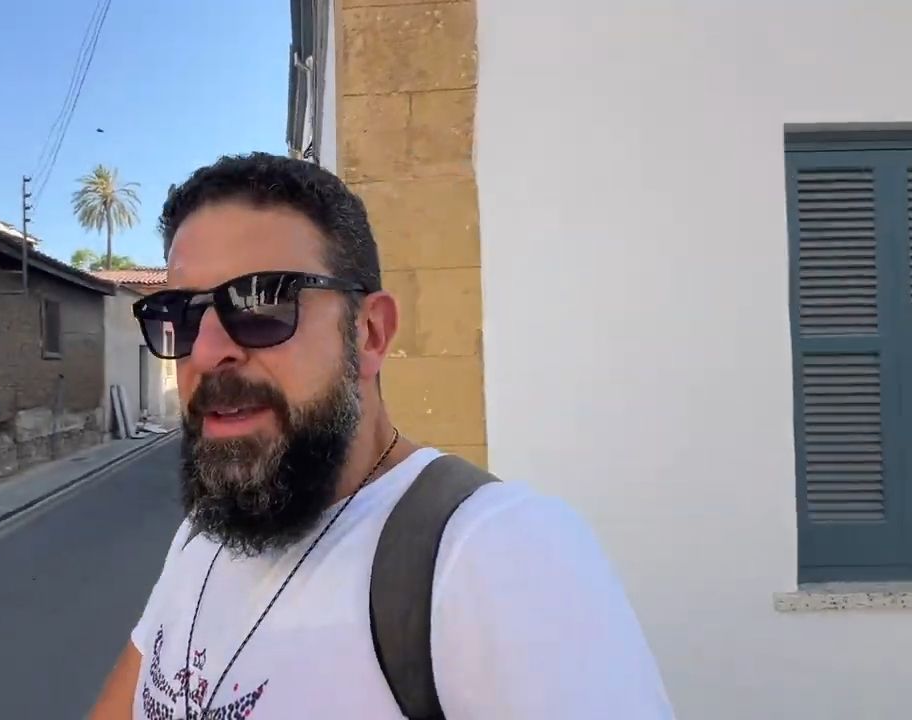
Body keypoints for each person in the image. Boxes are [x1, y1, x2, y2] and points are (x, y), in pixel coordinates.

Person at [89, 153, 673, 719]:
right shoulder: (203, 534)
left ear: (369, 333)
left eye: (261, 302)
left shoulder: (497, 556)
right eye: (182, 315)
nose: (207, 353)